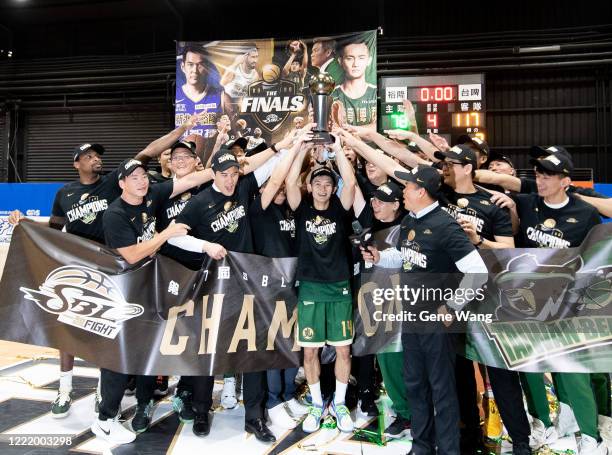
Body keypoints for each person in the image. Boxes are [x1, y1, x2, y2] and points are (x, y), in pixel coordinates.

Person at [7, 114, 204, 420]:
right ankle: (65, 386)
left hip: (116, 265)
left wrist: (182, 129)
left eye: (97, 155)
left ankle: (106, 388)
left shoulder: (115, 182)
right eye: (88, 156)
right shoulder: (64, 194)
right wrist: (25, 223)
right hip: (82, 264)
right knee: (68, 324)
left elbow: (150, 151)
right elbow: (55, 229)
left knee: (110, 328)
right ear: (76, 163)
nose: (95, 159)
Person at [166, 135, 298, 442]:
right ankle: (201, 409)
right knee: (208, 350)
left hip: (248, 285)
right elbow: (174, 235)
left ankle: (254, 416)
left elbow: (270, 168)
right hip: (213, 287)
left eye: (233, 174)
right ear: (212, 174)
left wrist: (288, 144)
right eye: (223, 174)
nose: (229, 180)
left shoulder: (242, 188)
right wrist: (205, 244)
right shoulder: (199, 202)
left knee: (251, 351)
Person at [359, 163, 488, 455]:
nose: (403, 191)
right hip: (412, 318)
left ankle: (448, 449)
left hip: (437, 324)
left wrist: (452, 305)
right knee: (415, 384)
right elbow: (405, 257)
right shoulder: (410, 221)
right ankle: (421, 446)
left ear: (421, 191)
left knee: (442, 388)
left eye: (407, 187)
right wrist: (379, 256)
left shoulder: (446, 225)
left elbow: (478, 272)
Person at [92, 157, 214, 444]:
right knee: (120, 358)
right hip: (124, 292)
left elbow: (191, 180)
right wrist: (167, 234)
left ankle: (110, 413)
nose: (142, 180)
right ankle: (104, 419)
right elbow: (132, 255)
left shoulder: (151, 197)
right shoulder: (115, 214)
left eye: (143, 175)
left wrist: (225, 166)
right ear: (121, 183)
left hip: (147, 290)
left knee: (137, 356)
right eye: (133, 177)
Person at [435, 144, 532, 455]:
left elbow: (507, 248)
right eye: (444, 163)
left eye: (451, 164)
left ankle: (520, 440)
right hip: (451, 293)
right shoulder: (440, 195)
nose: (446, 169)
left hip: (488, 295)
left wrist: (479, 240)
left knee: (500, 371)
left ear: (467, 168)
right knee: (458, 372)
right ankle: (469, 436)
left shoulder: (491, 203)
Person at [513, 150, 605, 455]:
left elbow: (596, 258)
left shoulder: (586, 212)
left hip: (569, 302)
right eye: (537, 175)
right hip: (529, 301)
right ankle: (544, 424)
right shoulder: (526, 204)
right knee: (530, 365)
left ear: (565, 181)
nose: (540, 181)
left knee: (572, 368)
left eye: (547, 176)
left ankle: (590, 435)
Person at [284, 133, 356, 433]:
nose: (323, 188)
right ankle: (316, 404)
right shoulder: (302, 209)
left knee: (343, 351)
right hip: (310, 287)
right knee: (310, 352)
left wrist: (337, 149)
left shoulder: (340, 208)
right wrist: (300, 149)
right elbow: (289, 183)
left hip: (339, 286)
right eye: (318, 183)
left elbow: (350, 184)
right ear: (310, 186)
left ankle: (338, 403)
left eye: (328, 184)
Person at [249, 126, 315, 429]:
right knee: (274, 345)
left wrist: (302, 148)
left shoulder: (292, 209)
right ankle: (273, 399)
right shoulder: (258, 209)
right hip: (268, 289)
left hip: (294, 286)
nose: (276, 191)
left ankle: (288, 394)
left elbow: (287, 180)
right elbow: (278, 178)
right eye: (269, 188)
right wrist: (292, 144)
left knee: (294, 343)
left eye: (279, 191)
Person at [353, 180, 413, 439]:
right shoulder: (370, 222)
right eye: (373, 200)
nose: (374, 204)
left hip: (404, 302)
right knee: (386, 359)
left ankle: (412, 414)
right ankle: (403, 411)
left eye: (381, 201)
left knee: (401, 360)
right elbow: (354, 192)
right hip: (376, 300)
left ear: (397, 205)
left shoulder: (410, 225)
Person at [176, 45, 223, 137]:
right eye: (190, 64)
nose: (195, 70)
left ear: (206, 68)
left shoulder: (220, 96)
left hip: (209, 150)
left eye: (200, 65)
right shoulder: (176, 95)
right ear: (182, 67)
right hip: (182, 150)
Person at [331, 39, 376, 129]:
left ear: (369, 61)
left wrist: (346, 130)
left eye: (361, 58)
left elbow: (379, 127)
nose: (355, 64)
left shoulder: (376, 93)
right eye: (349, 58)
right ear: (341, 61)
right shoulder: (331, 96)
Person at [221, 43, 260, 118]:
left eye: (256, 57)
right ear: (244, 57)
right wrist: (236, 63)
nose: (255, 60)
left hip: (239, 108)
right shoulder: (234, 69)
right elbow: (221, 85)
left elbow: (249, 95)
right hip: (225, 105)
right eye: (253, 57)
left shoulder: (255, 75)